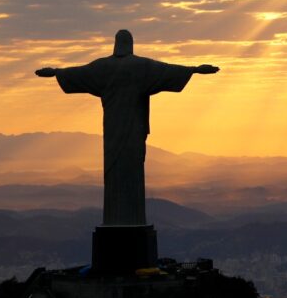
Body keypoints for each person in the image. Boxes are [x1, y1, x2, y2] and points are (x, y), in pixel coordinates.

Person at [35, 29, 219, 226]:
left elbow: (79, 72)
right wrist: (194, 69)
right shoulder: (141, 66)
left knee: (114, 171)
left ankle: (115, 219)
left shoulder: (102, 67)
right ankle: (133, 219)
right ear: (131, 44)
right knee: (132, 170)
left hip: (112, 130)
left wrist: (55, 72)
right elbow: (167, 70)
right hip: (134, 129)